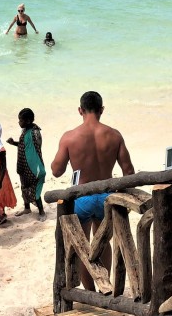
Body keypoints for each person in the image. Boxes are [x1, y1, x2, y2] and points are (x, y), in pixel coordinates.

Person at [51, 91, 135, 291]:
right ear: (102, 110)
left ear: (80, 110)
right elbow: (129, 171)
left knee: (83, 246)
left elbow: (56, 170)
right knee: (104, 243)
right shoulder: (114, 135)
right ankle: (105, 287)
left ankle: (90, 292)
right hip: (107, 197)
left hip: (82, 198)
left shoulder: (70, 137)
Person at [7, 108, 46, 221]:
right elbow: (24, 145)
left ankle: (41, 211)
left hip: (32, 166)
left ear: (28, 121)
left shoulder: (34, 132)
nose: (19, 122)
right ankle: (27, 208)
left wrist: (37, 167)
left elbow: (35, 150)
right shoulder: (25, 130)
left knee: (34, 189)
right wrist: (13, 142)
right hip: (23, 165)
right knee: (24, 187)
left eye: (21, 120)